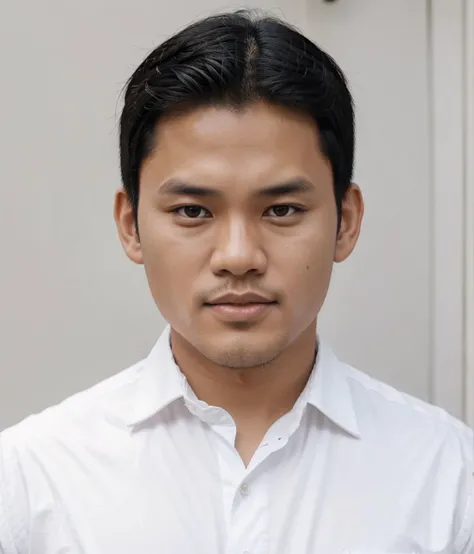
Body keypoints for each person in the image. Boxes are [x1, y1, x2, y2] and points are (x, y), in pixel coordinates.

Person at [0, 9, 472, 554]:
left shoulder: (450, 480)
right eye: (194, 212)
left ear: (346, 220)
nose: (239, 256)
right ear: (131, 225)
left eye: (283, 210)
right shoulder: (31, 485)